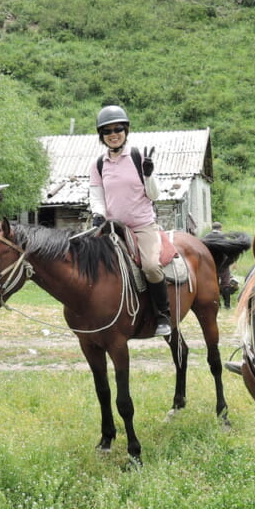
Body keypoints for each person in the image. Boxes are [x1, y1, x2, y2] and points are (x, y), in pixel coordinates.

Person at [89, 105, 171, 336]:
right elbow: (97, 195)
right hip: (114, 228)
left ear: (125, 130)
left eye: (118, 129)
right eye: (107, 131)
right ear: (102, 136)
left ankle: (163, 315)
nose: (113, 134)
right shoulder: (98, 165)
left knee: (151, 267)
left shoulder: (138, 157)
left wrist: (148, 174)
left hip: (142, 226)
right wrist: (98, 214)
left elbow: (154, 195)